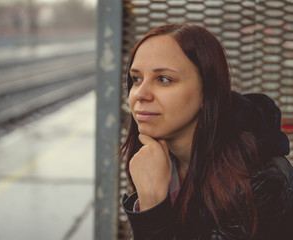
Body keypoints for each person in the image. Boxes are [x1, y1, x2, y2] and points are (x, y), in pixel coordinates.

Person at [120, 23, 293, 239]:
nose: (140, 94)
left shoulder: (260, 181)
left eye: (164, 79)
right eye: (136, 78)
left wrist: (153, 213)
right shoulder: (157, 161)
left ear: (206, 92)